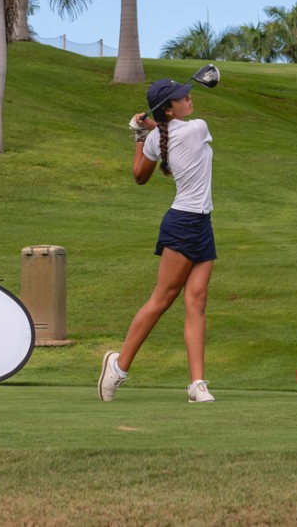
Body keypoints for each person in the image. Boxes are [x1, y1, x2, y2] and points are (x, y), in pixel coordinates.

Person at [98, 77, 217, 403]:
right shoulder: (197, 127)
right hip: (183, 225)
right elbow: (166, 138)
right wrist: (149, 129)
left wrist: (140, 134)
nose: (189, 97)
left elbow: (139, 175)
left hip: (201, 223)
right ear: (168, 109)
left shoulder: (154, 139)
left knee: (197, 302)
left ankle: (197, 384)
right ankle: (117, 368)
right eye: (181, 97)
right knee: (162, 300)